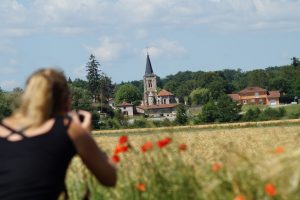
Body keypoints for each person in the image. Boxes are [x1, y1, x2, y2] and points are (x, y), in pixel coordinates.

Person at [0, 68, 117, 200]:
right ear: (66, 100)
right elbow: (110, 178)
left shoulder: (2, 127)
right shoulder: (69, 128)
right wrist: (85, 135)